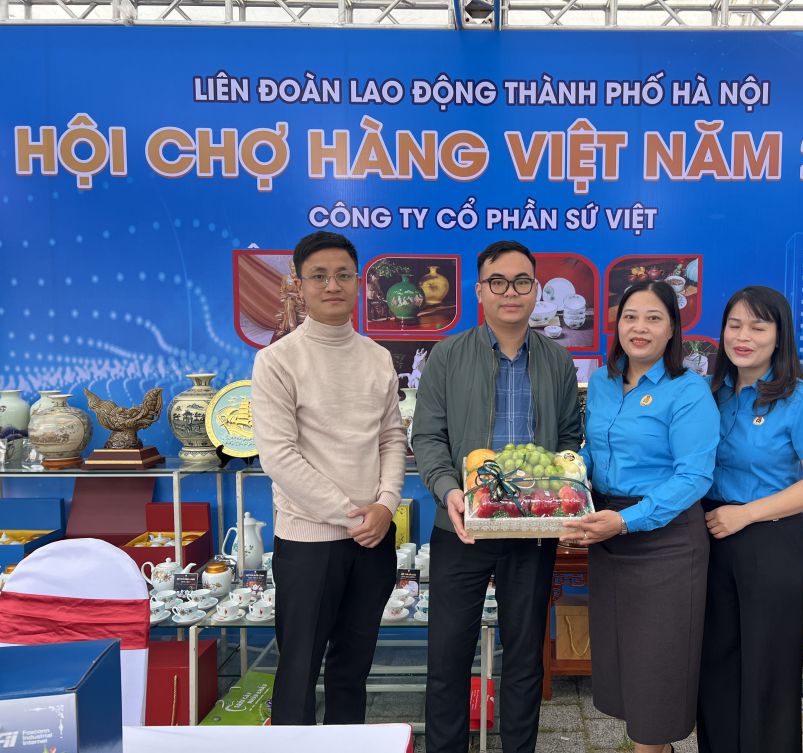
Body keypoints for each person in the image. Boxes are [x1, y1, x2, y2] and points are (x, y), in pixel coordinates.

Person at [411, 239, 582, 753]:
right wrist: (448, 492)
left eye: (523, 282)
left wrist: (564, 487)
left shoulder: (555, 360)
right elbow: (428, 438)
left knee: (526, 656)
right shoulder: (447, 356)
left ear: (536, 291)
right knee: (447, 657)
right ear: (480, 290)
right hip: (460, 527)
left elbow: (570, 438)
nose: (512, 292)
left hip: (532, 530)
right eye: (499, 282)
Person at [251, 231, 407, 725]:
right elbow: (279, 456)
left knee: (352, 669)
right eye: (319, 275)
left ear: (359, 282)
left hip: (373, 540)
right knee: (298, 670)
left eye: (342, 274)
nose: (332, 284)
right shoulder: (276, 360)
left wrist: (384, 506)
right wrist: (352, 515)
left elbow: (390, 438)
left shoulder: (377, 356)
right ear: (299, 284)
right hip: (309, 542)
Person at [561, 280, 719, 753]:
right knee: (621, 657)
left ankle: (654, 747)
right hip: (608, 530)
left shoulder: (688, 391)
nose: (640, 327)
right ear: (616, 322)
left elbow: (694, 477)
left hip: (665, 539)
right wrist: (567, 477)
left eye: (654, 317)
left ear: (673, 328)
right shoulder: (606, 381)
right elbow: (596, 450)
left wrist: (628, 520)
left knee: (657, 662)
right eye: (631, 316)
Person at [697, 285, 803, 753]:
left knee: (767, 670)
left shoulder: (801, 399)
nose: (744, 336)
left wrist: (746, 515)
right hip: (711, 538)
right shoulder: (712, 394)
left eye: (758, 327)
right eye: (734, 325)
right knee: (716, 663)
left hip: (770, 541)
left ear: (780, 336)